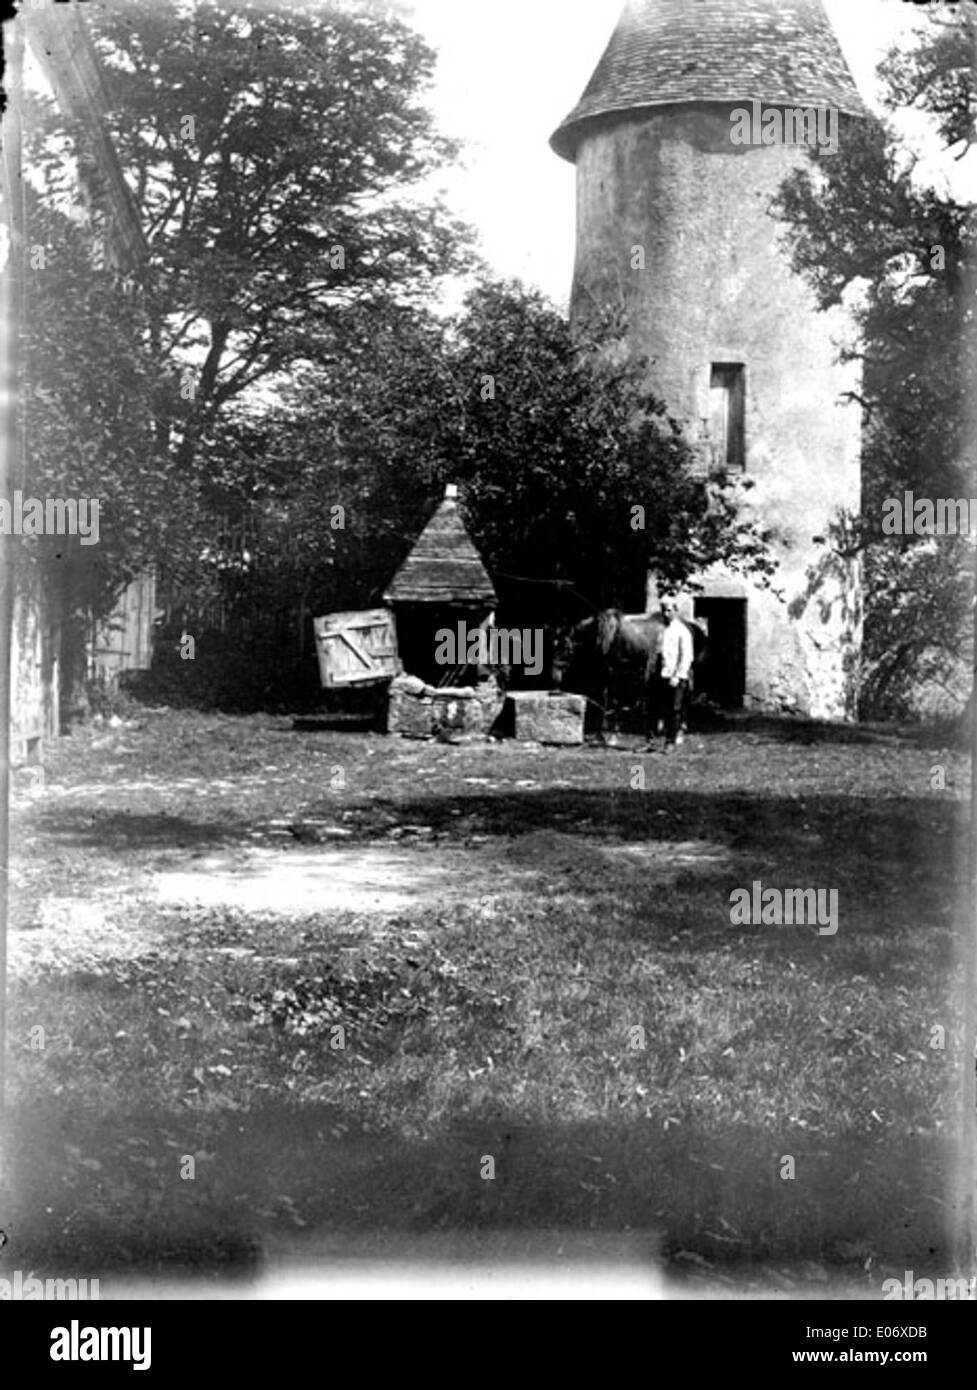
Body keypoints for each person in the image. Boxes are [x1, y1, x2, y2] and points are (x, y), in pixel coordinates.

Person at [655, 597, 693, 752]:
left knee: (675, 709)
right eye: (664, 610)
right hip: (663, 674)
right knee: (662, 707)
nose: (666, 613)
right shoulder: (663, 631)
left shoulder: (682, 631)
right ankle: (656, 740)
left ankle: (671, 741)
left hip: (676, 677)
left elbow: (686, 656)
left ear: (676, 611)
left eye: (669, 610)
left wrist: (677, 675)